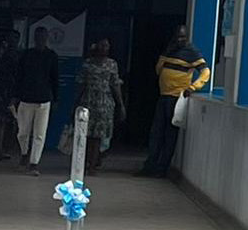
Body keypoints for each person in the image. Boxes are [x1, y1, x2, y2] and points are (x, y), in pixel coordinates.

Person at [137, 25, 211, 178]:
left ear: (187, 37)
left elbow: (205, 71)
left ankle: (161, 169)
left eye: (183, 37)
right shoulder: (169, 50)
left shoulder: (191, 52)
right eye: (178, 37)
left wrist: (194, 86)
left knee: (170, 134)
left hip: (177, 98)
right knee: (156, 133)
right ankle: (149, 166)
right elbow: (158, 70)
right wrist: (164, 56)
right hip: (164, 95)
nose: (180, 40)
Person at [75, 38, 125, 175]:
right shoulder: (87, 64)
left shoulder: (112, 64)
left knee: (98, 137)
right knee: (86, 135)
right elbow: (81, 84)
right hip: (88, 103)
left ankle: (93, 165)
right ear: (96, 47)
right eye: (102, 46)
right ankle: (83, 163)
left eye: (107, 46)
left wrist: (121, 105)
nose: (105, 49)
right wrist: (76, 103)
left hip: (105, 105)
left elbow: (115, 85)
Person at [13, 26, 59, 177]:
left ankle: (34, 163)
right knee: (22, 132)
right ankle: (24, 153)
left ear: (46, 38)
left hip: (44, 99)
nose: (41, 39)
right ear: (34, 38)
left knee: (39, 134)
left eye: (43, 37)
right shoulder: (26, 55)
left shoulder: (51, 56)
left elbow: (55, 79)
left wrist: (55, 98)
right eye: (38, 37)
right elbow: (18, 76)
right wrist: (15, 96)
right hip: (26, 98)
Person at [0, 33, 20, 161]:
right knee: (0, 121)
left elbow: (20, 74)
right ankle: (0, 149)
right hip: (0, 91)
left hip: (13, 91)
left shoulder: (18, 56)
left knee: (13, 122)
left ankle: (8, 149)